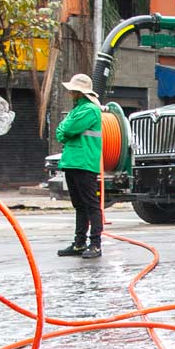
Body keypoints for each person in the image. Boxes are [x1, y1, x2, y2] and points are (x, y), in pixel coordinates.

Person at [55, 73, 103, 259]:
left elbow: (66, 129)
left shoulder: (90, 110)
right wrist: (64, 130)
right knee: (80, 205)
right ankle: (79, 243)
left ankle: (96, 244)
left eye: (73, 91)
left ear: (79, 92)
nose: (70, 93)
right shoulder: (77, 110)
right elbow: (63, 130)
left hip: (84, 162)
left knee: (90, 204)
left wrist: (65, 129)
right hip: (72, 161)